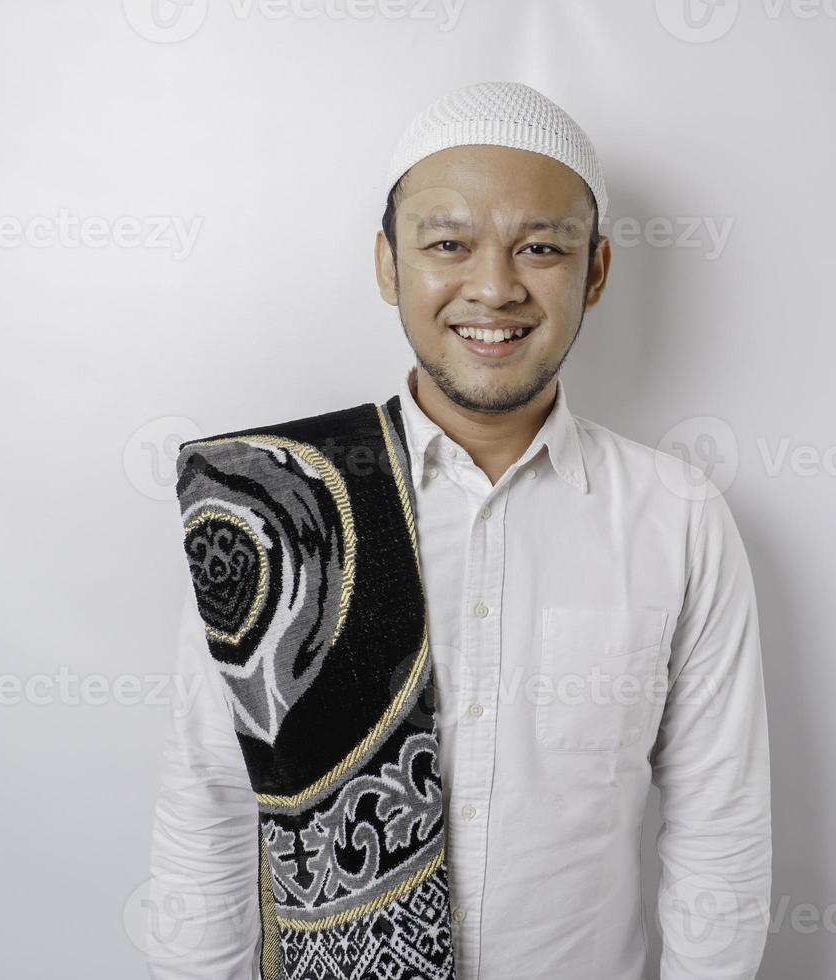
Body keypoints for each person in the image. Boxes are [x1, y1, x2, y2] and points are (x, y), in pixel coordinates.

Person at [147, 80, 771, 980]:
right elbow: (204, 814)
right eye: (448, 243)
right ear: (388, 265)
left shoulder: (677, 519)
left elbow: (722, 827)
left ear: (595, 273)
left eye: (540, 248)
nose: (494, 287)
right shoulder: (275, 511)